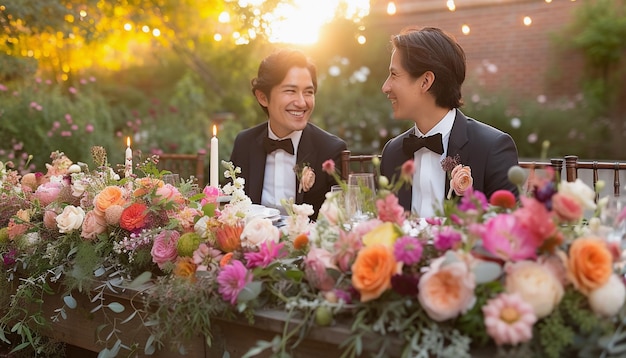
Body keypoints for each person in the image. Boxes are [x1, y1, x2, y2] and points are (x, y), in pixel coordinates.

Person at [380, 26, 519, 217]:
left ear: (425, 81)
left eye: (394, 74)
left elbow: (508, 233)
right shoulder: (392, 153)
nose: (385, 87)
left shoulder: (491, 148)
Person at [230, 49, 347, 218]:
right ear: (263, 97)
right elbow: (231, 207)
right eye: (290, 91)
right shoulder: (245, 143)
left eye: (308, 92)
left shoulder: (330, 149)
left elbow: (339, 218)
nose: (301, 102)